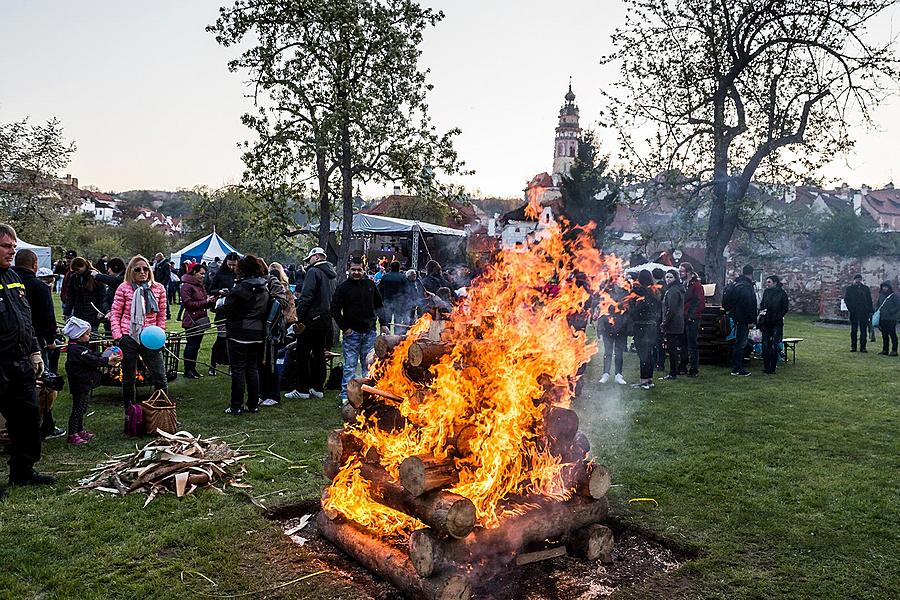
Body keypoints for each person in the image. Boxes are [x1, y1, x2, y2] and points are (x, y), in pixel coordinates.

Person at [0, 223, 55, 494]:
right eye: (6, 246)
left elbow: (25, 318)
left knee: (28, 419)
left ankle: (22, 472)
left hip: (20, 362)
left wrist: (35, 350)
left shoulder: (14, 277)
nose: (12, 251)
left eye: (13, 246)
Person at [12, 251, 65, 439]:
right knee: (43, 384)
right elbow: (47, 318)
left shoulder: (8, 283)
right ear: (34, 265)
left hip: (13, 343)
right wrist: (51, 340)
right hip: (36, 343)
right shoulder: (38, 287)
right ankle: (45, 426)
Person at [109, 255, 168, 407]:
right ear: (131, 271)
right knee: (128, 378)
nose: (143, 272)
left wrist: (160, 334)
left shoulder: (158, 288)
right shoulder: (124, 288)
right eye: (138, 269)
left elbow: (162, 314)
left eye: (146, 269)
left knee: (160, 377)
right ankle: (130, 411)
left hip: (151, 337)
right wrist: (118, 336)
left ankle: (161, 410)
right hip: (128, 337)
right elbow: (115, 313)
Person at [220, 255, 271, 415]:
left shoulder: (243, 288)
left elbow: (230, 309)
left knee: (238, 369)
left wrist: (223, 302)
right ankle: (253, 404)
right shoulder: (264, 286)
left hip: (240, 332)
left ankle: (236, 405)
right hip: (258, 332)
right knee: (252, 368)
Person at [332, 257, 385, 403]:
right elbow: (334, 309)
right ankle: (346, 397)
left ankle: (368, 395)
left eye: (359, 270)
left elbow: (379, 305)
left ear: (364, 269)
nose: (356, 272)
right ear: (349, 269)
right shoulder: (343, 288)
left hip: (369, 331)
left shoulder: (370, 285)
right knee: (350, 366)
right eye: (353, 269)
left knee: (368, 365)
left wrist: (384, 323)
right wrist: (345, 328)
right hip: (352, 333)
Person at [287, 247, 337, 400]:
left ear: (315, 257)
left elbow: (306, 296)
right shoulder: (331, 275)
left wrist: (299, 317)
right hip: (325, 319)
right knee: (319, 354)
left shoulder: (313, 272)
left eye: (309, 259)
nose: (308, 263)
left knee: (302, 353)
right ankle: (317, 388)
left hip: (311, 319)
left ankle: (302, 389)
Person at [62, 317, 121, 444]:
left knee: (83, 408)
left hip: (84, 383)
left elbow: (92, 355)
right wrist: (107, 360)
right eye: (87, 334)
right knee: (78, 409)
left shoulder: (79, 347)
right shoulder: (76, 350)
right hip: (80, 384)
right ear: (78, 336)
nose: (89, 336)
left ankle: (80, 429)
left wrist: (104, 354)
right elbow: (92, 359)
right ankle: (72, 434)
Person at [258, 261, 294, 406]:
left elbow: (285, 306)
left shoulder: (280, 287)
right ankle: (262, 393)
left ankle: (273, 394)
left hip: (274, 329)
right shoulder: (260, 283)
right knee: (262, 363)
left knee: (271, 363)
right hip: (262, 329)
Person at [207, 252, 239, 375]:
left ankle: (232, 366)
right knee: (221, 339)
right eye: (230, 264)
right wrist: (219, 291)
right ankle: (213, 365)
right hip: (223, 311)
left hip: (236, 312)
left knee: (234, 341)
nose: (232, 267)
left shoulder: (240, 274)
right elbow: (210, 289)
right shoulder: (221, 274)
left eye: (234, 265)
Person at [180, 263, 214, 379]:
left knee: (196, 346)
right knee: (191, 345)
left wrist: (210, 300)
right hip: (192, 321)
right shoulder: (187, 286)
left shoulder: (200, 285)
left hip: (200, 319)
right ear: (194, 272)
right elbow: (188, 304)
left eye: (204, 274)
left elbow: (202, 300)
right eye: (201, 273)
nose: (203, 276)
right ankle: (188, 370)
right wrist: (205, 302)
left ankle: (192, 369)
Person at [723, 265, 758, 377]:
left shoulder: (737, 285)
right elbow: (748, 305)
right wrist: (751, 320)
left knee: (739, 342)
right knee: (741, 344)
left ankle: (736, 366)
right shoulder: (746, 286)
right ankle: (737, 368)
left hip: (736, 317)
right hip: (743, 319)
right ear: (751, 274)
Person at [630, 270, 661, 390]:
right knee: (649, 354)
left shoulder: (641, 292)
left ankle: (643, 381)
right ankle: (649, 379)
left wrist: (632, 312)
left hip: (642, 327)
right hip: (652, 326)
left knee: (643, 354)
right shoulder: (655, 291)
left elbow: (638, 309)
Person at [596, 283, 630, 385]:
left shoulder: (625, 294)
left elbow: (626, 312)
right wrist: (600, 328)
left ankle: (618, 375)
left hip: (620, 328)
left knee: (619, 352)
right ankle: (606, 373)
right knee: (608, 351)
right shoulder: (604, 293)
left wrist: (623, 326)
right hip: (607, 328)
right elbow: (601, 313)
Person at [62, 257, 106, 333]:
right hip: (79, 312)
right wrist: (67, 312)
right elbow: (70, 296)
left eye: (77, 269)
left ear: (84, 266)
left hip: (93, 312)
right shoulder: (74, 277)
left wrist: (101, 311)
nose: (76, 272)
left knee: (92, 334)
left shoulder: (95, 276)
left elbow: (102, 295)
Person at [758, 275, 790, 375]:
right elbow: (762, 305)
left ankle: (772, 368)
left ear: (775, 283)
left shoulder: (782, 293)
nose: (767, 284)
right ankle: (766, 366)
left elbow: (785, 307)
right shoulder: (766, 292)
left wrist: (778, 316)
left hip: (776, 322)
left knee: (774, 345)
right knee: (765, 344)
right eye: (767, 282)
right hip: (766, 322)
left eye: (769, 282)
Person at [678, 262, 705, 377]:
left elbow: (699, 302)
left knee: (692, 344)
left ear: (688, 272)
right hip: (684, 316)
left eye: (682, 271)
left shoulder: (696, 285)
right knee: (683, 343)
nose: (680, 273)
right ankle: (683, 366)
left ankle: (694, 369)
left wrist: (690, 316)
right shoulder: (684, 284)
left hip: (692, 318)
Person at [659, 269, 685, 381]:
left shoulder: (673, 291)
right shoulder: (673, 289)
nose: (668, 279)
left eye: (670, 277)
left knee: (672, 349)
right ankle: (674, 370)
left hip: (673, 323)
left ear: (675, 278)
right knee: (673, 348)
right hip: (676, 322)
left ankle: (673, 372)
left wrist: (665, 322)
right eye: (667, 277)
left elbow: (672, 309)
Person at [93, 257, 126, 337]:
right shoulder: (112, 284)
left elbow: (115, 281)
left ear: (115, 268)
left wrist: (97, 276)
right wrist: (107, 311)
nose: (108, 271)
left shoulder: (124, 280)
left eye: (109, 268)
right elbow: (106, 299)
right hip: (110, 319)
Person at [844, 274, 873, 353]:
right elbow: (846, 300)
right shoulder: (850, 289)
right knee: (854, 330)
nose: (858, 281)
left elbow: (869, 300)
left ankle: (863, 347)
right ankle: (853, 346)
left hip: (864, 312)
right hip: (854, 312)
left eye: (859, 279)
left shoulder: (865, 289)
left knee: (863, 330)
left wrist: (870, 310)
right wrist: (851, 309)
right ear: (854, 280)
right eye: (857, 279)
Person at [378, 261, 409, 333]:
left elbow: (380, 290)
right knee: (397, 322)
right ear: (399, 268)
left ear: (390, 267)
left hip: (387, 302)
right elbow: (406, 291)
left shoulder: (385, 276)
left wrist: (381, 301)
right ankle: (396, 337)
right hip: (399, 303)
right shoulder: (403, 277)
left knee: (386, 322)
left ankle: (385, 338)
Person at [875, 281, 899, 356]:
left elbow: (898, 306)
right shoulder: (881, 295)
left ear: (889, 288)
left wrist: (891, 311)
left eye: (886, 287)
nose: (884, 288)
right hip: (882, 318)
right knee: (884, 335)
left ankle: (894, 350)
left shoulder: (893, 296)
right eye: (883, 287)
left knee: (892, 334)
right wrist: (877, 312)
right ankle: (885, 350)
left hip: (891, 319)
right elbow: (878, 305)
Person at [59, 250, 77, 316]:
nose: (68, 260)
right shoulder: (67, 270)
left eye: (70, 258)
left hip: (71, 301)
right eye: (67, 258)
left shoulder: (75, 272)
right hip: (65, 300)